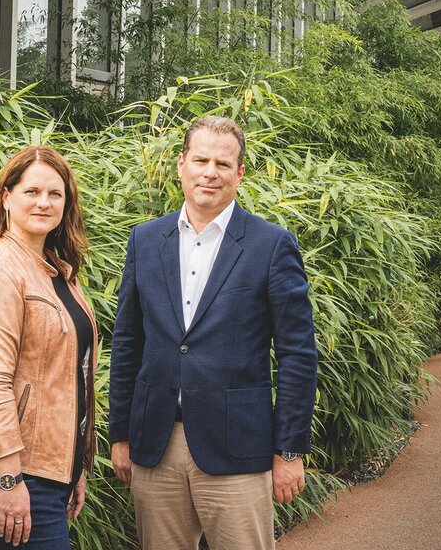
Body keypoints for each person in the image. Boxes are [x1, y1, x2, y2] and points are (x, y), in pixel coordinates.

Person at [109, 116, 318, 550]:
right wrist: (121, 433)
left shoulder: (271, 244)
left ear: (239, 174)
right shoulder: (144, 240)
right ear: (181, 165)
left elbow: (298, 354)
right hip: (156, 444)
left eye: (223, 163)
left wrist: (290, 451)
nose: (210, 172)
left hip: (238, 447)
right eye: (200, 159)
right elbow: (128, 342)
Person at [0, 145, 97, 549]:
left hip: (48, 470)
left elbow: (65, 379)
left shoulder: (56, 271)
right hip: (10, 470)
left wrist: (73, 466)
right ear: (6, 197)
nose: (44, 202)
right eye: (32, 191)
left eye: (55, 194)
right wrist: (10, 477)